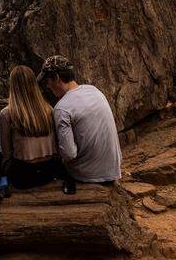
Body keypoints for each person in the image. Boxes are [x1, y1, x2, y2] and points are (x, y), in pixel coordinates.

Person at [37, 56, 122, 185]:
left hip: (88, 174)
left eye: (47, 81)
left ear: (56, 78)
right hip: (113, 169)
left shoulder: (62, 108)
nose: (47, 86)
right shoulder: (94, 91)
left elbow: (69, 154)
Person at [0, 65, 63, 190]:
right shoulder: (48, 109)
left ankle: (3, 188)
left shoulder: (7, 113)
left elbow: (6, 153)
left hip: (24, 177)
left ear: (13, 87)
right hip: (49, 172)